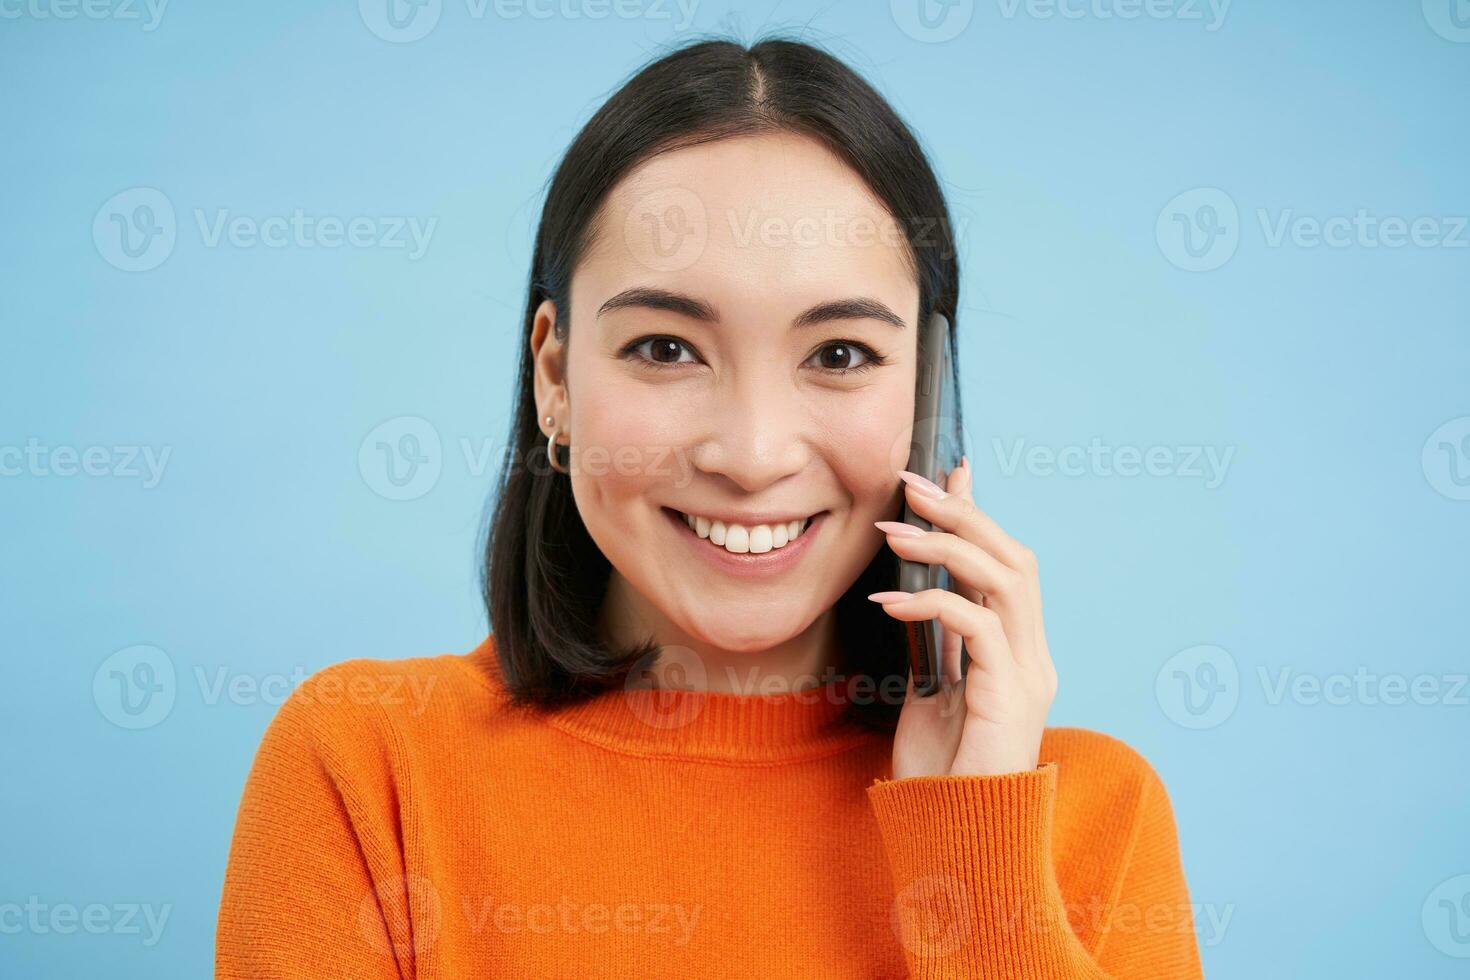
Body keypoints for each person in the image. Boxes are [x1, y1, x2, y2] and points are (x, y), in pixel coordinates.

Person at [216, 34, 1204, 979]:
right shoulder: (365, 767)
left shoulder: (1093, 820)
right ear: (555, 375)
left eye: (841, 355)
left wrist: (980, 862)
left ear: (928, 396)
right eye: (665, 347)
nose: (752, 454)